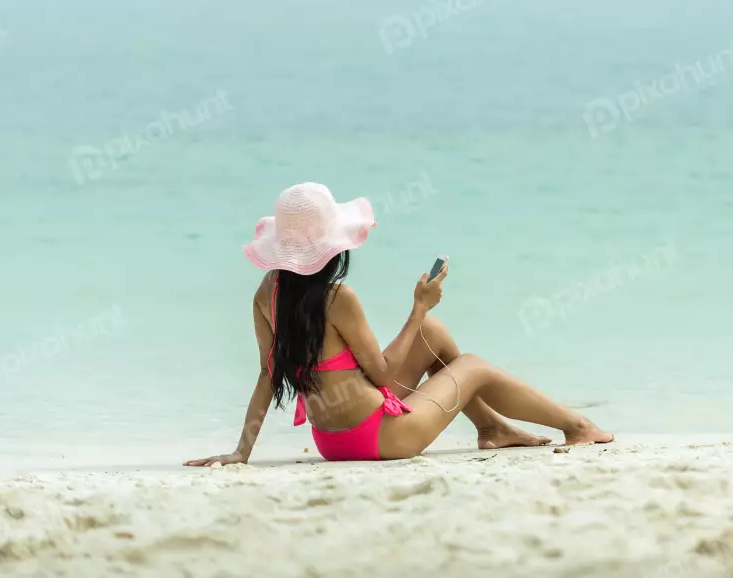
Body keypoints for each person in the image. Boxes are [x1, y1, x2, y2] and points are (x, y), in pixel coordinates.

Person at [185, 183, 613, 464]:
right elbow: (384, 374)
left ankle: (491, 427)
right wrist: (418, 307)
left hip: (331, 441)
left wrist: (242, 452)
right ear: (334, 248)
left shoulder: (268, 293)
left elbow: (267, 373)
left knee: (433, 336)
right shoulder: (338, 299)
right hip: (380, 439)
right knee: (474, 366)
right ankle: (577, 426)